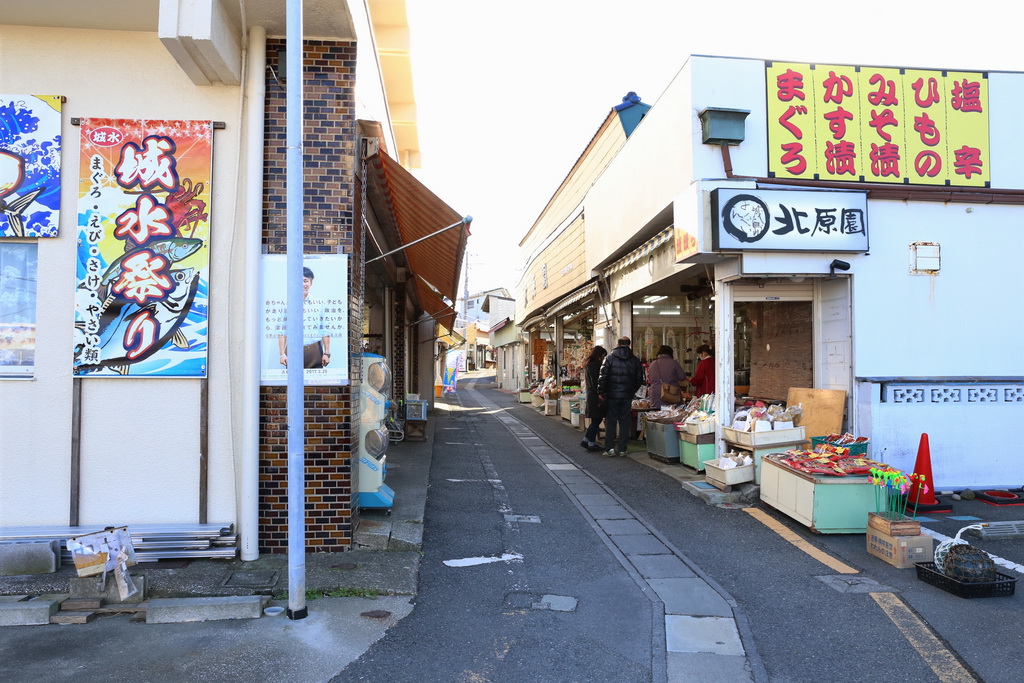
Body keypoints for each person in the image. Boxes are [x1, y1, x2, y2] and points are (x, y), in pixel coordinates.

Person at [597, 336, 644, 457]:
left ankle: (610, 449)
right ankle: (623, 449)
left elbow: (602, 377)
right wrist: (631, 390)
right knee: (624, 422)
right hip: (627, 396)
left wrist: (601, 392)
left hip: (612, 395)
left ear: (617, 344)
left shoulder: (609, 358)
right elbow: (639, 379)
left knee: (611, 422)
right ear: (629, 345)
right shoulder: (635, 360)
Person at [278, 266, 331, 369]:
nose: (303, 284)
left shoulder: (319, 304)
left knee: (315, 384)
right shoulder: (286, 304)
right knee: (293, 384)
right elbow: (282, 330)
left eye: (306, 281)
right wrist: (282, 354)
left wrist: (327, 353)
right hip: (293, 350)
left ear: (311, 283)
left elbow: (325, 330)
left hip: (315, 350)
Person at [579, 345, 607, 452]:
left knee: (595, 419)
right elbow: (597, 383)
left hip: (592, 395)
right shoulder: (596, 366)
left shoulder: (589, 365)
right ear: (599, 355)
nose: (603, 358)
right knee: (597, 420)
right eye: (603, 356)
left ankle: (586, 440)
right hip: (596, 397)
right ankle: (591, 443)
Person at [648, 345, 687, 409]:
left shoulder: (653, 364)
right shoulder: (674, 363)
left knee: (656, 415)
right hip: (671, 394)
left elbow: (651, 378)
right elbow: (682, 377)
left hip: (656, 394)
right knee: (671, 415)